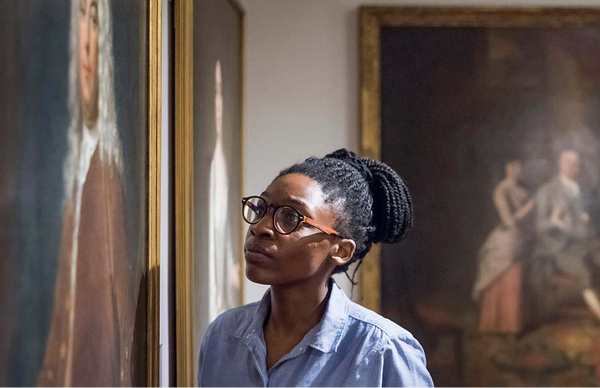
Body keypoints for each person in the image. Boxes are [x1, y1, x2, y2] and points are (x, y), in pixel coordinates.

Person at [198, 149, 433, 387]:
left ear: (340, 250)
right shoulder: (223, 335)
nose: (261, 228)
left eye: (291, 217)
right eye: (261, 210)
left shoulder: (384, 350)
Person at [37, 0, 137, 386]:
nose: (88, 42)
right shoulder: (57, 151)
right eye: (81, 18)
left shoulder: (105, 168)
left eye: (96, 21)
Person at [533, 150, 600, 320]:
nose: (572, 166)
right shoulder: (547, 191)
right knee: (583, 271)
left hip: (588, 243)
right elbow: (540, 226)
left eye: (575, 163)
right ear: (560, 165)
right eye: (568, 162)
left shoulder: (584, 190)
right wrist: (555, 221)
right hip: (562, 248)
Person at [472, 160, 534, 336]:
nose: (516, 169)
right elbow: (509, 221)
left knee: (515, 281)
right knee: (500, 278)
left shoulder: (523, 190)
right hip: (505, 240)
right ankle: (493, 325)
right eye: (512, 166)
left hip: (521, 239)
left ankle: (512, 326)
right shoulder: (501, 190)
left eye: (518, 166)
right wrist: (528, 208)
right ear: (506, 168)